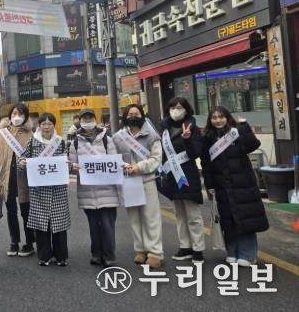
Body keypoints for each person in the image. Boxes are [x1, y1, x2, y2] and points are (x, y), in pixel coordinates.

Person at [201, 106, 268, 266]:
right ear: (210, 120)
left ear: (227, 117)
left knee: (245, 218)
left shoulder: (236, 133)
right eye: (214, 118)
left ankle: (248, 254)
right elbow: (206, 163)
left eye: (221, 117)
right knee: (228, 220)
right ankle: (232, 251)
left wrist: (244, 127)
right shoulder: (208, 138)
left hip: (242, 184)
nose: (218, 120)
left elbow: (252, 145)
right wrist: (209, 184)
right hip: (221, 185)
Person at [112, 104, 164, 268]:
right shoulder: (118, 137)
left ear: (142, 115)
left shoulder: (152, 136)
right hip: (128, 182)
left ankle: (155, 252)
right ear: (125, 117)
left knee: (151, 218)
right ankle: (141, 249)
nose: (133, 116)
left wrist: (139, 167)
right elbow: (112, 157)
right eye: (130, 114)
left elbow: (156, 159)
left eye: (136, 113)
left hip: (147, 180)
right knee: (134, 218)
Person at [69, 109, 119, 267]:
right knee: (93, 226)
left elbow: (114, 162)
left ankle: (109, 255)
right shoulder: (75, 142)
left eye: (90, 118)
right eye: (84, 119)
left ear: (95, 119)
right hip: (87, 191)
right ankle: (96, 254)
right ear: (80, 122)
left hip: (107, 189)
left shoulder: (106, 138)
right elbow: (72, 166)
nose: (87, 121)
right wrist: (73, 167)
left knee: (107, 225)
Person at [158, 97, 205, 263]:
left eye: (179, 107)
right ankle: (185, 246)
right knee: (179, 214)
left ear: (186, 110)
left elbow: (196, 153)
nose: (176, 110)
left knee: (193, 215)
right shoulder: (164, 128)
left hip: (188, 175)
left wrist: (187, 139)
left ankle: (198, 248)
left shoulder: (193, 128)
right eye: (173, 107)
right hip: (171, 176)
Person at [20, 113, 70, 266]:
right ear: (39, 126)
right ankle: (44, 256)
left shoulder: (60, 141)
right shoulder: (32, 141)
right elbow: (22, 158)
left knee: (59, 223)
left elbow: (66, 160)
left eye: (49, 124)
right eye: (43, 124)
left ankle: (61, 256)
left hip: (58, 189)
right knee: (42, 224)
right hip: (39, 190)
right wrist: (23, 163)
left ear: (54, 125)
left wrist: (68, 164)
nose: (46, 127)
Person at [0, 103, 35, 257]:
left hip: (25, 178)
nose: (17, 116)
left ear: (26, 116)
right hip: (6, 176)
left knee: (26, 212)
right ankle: (14, 242)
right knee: (11, 212)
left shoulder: (31, 134)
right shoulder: (1, 134)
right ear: (9, 116)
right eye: (14, 113)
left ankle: (29, 243)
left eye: (20, 114)